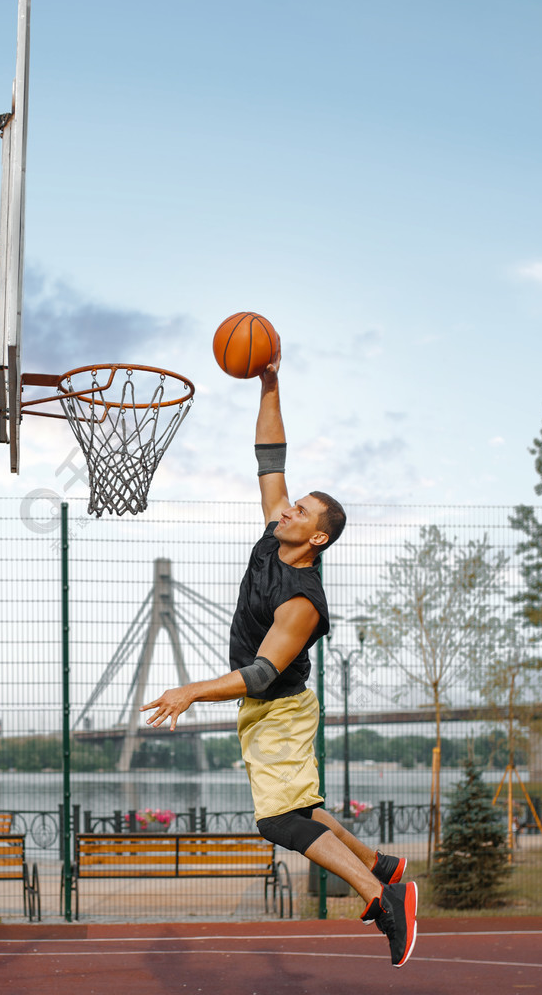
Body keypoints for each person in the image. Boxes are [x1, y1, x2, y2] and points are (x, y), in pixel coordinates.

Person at [140, 362, 417, 968]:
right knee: (303, 810)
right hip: (262, 710)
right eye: (293, 506)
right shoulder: (275, 530)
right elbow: (270, 457)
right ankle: (381, 865)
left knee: (280, 822)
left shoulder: (302, 602)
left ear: (317, 538)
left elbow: (262, 675)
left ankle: (381, 895)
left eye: (302, 512)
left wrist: (189, 691)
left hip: (281, 709)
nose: (288, 509)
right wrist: (270, 386)